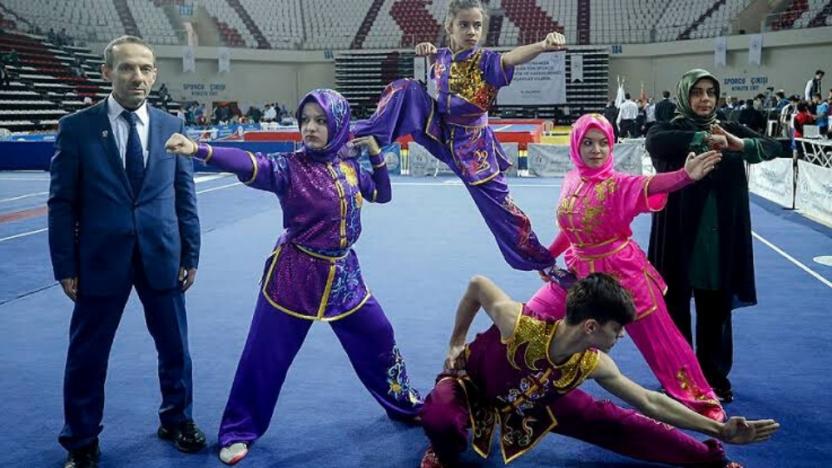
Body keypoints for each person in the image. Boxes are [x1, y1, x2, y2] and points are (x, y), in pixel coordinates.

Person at [165, 88, 423, 465]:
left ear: (338, 124)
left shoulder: (348, 165)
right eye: (305, 120)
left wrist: (374, 156)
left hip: (345, 277)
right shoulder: (289, 168)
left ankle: (403, 404)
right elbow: (247, 161)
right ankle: (238, 430)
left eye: (320, 121)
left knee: (379, 335)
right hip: (294, 277)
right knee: (264, 356)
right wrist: (200, 150)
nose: (310, 128)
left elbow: (382, 195)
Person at [419, 274, 779, 467]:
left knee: (615, 422)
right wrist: (456, 342)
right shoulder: (519, 324)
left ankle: (707, 459)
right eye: (617, 328)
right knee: (441, 421)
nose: (622, 335)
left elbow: (649, 402)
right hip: (472, 385)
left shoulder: (591, 363)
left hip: (540, 399)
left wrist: (717, 428)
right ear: (591, 326)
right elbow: (477, 285)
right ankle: (442, 452)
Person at [48, 35, 203, 468]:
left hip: (163, 255)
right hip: (97, 260)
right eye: (127, 68)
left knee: (176, 350)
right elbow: (62, 203)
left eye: (146, 68)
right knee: (87, 355)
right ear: (107, 73)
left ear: (155, 73)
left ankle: (177, 419)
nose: (138, 76)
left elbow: (183, 196)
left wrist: (190, 254)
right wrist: (65, 263)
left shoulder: (172, 127)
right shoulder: (76, 128)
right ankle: (81, 440)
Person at [529, 113, 725, 420]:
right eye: (588, 143)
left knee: (663, 344)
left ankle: (701, 402)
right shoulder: (571, 180)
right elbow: (571, 229)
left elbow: (650, 184)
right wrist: (545, 256)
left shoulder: (618, 184)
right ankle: (518, 375)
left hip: (624, 275)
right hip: (580, 275)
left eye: (603, 143)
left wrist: (684, 176)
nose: (596, 150)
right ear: (576, 146)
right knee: (533, 317)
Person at [352, 0, 562, 272]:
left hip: (474, 147)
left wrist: (542, 46)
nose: (472, 31)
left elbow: (511, 57)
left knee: (503, 210)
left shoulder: (486, 60)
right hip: (439, 131)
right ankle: (357, 140)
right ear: (449, 27)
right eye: (464, 25)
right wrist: (428, 52)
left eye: (477, 25)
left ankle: (543, 264)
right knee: (405, 89)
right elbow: (441, 71)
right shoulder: (440, 56)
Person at [646, 69, 786, 403]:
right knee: (676, 307)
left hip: (720, 241)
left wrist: (739, 144)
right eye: (697, 92)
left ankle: (714, 376)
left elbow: (775, 146)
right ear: (684, 95)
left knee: (715, 310)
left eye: (710, 92)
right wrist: (701, 140)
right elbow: (656, 141)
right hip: (679, 238)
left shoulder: (729, 129)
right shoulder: (671, 130)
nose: (705, 99)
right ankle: (680, 376)